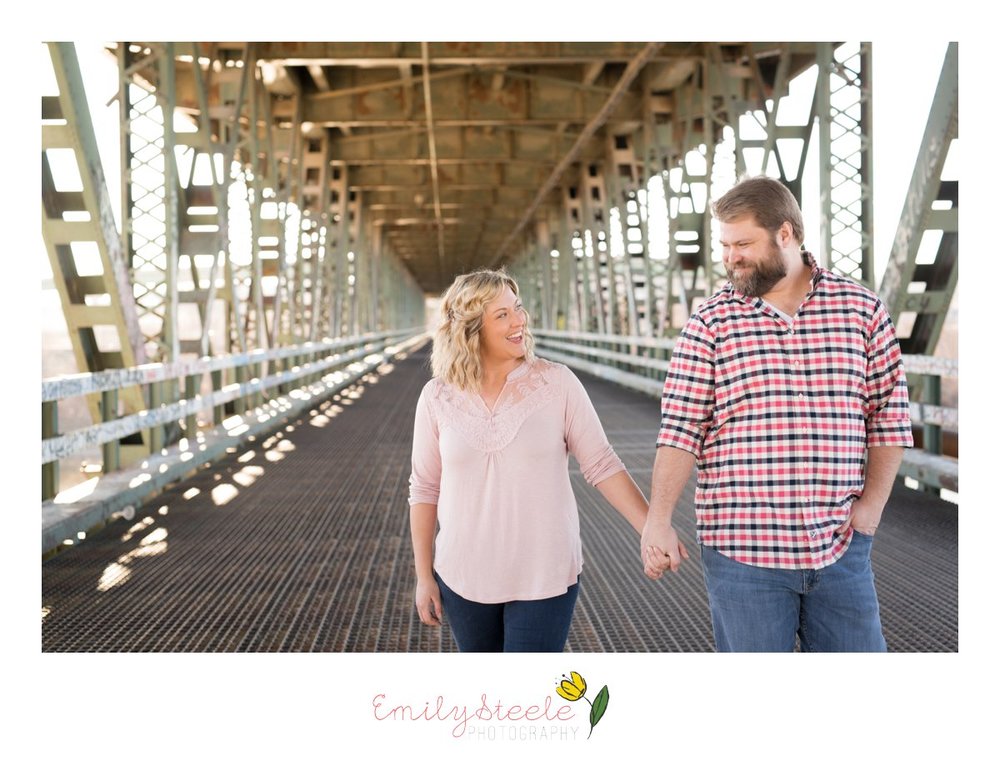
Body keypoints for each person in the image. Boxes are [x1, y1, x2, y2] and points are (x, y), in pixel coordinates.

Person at [641, 175, 913, 652]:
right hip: (744, 555)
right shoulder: (710, 323)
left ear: (786, 234)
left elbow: (889, 414)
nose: (731, 258)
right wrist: (657, 520)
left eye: (743, 243)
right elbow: (681, 429)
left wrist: (870, 509)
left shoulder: (861, 310)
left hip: (841, 548)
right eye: (724, 245)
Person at [408, 268, 651, 652]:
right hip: (463, 576)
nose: (519, 320)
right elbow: (424, 488)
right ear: (470, 329)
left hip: (545, 573)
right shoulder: (436, 397)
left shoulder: (557, 383)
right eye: (502, 314)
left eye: (517, 308)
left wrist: (651, 528)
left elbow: (602, 463)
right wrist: (424, 576)